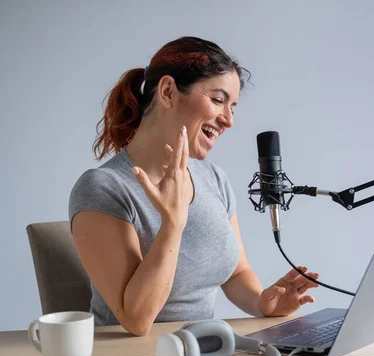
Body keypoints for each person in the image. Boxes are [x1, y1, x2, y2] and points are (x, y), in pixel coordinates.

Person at [69, 36, 319, 336]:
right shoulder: (102, 189)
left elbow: (236, 272)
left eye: (233, 107)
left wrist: (262, 303)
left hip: (199, 353)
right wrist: (172, 224)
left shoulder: (213, 178)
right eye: (218, 100)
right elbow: (137, 320)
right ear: (167, 92)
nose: (228, 120)